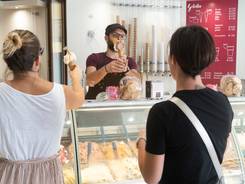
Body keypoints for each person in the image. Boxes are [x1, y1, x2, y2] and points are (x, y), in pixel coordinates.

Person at [137, 25, 233, 184]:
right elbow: (225, 144)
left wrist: (141, 141)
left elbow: (151, 177)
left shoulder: (162, 112)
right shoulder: (222, 101)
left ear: (173, 59)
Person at [0, 30, 84, 184]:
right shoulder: (61, 92)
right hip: (48, 175)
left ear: (8, 62)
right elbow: (79, 98)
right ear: (37, 61)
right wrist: (75, 76)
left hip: (9, 174)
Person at [85, 23, 140, 99]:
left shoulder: (129, 61)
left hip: (117, 106)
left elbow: (138, 80)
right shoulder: (94, 58)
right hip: (95, 105)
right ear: (106, 38)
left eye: (122, 36)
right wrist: (106, 69)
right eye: (115, 35)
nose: (119, 39)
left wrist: (126, 69)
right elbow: (90, 81)